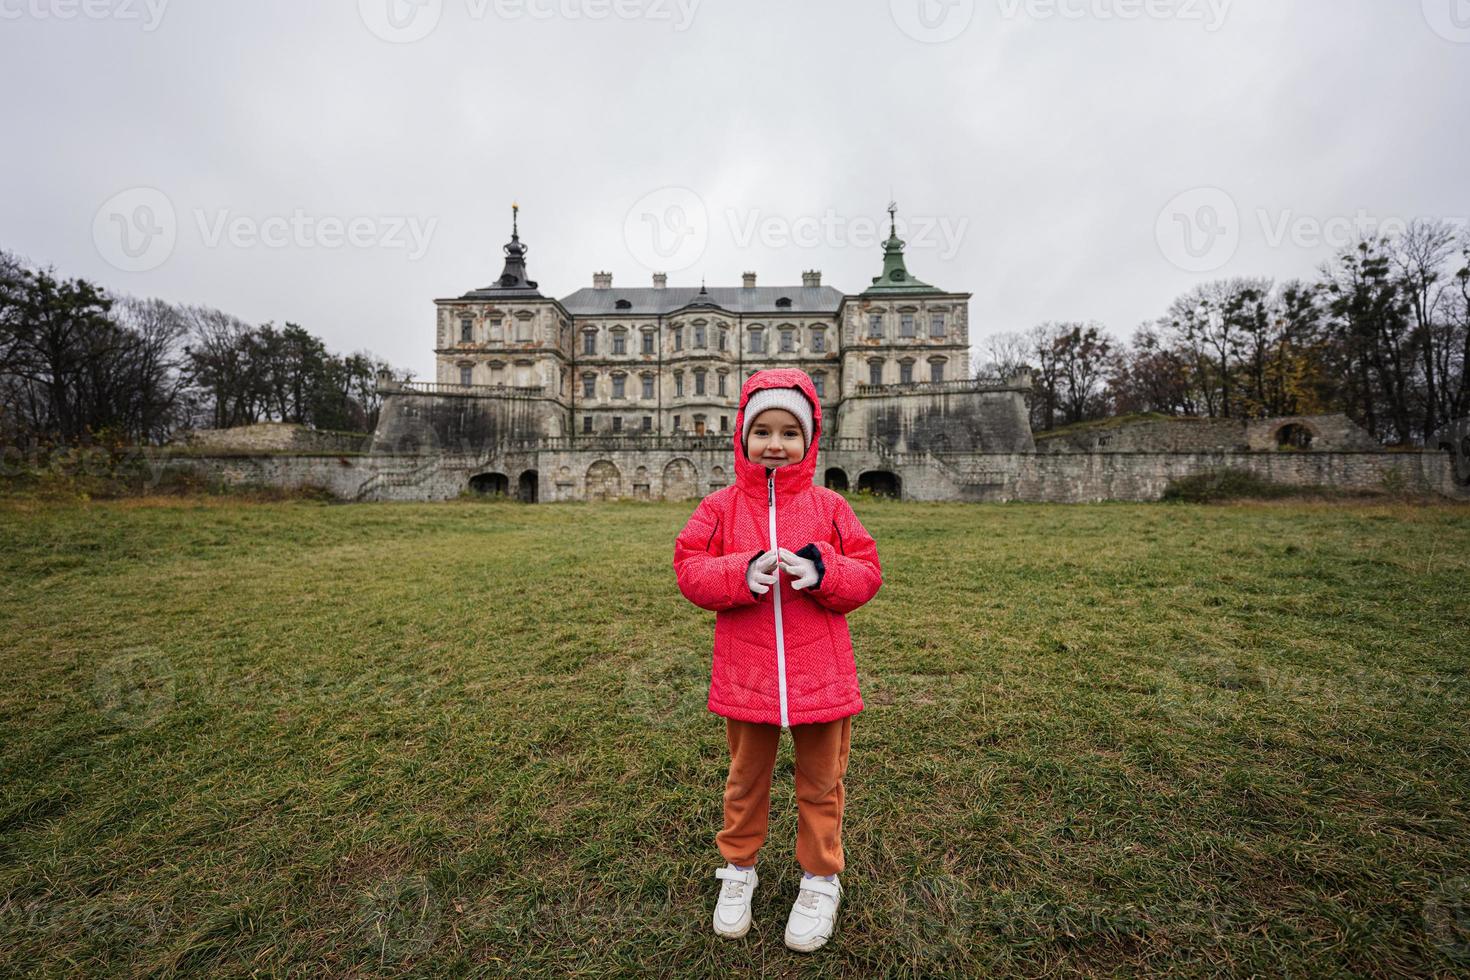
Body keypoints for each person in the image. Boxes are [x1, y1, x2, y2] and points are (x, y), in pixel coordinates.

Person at [672, 367, 883, 952]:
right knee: (745, 781)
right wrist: (739, 572)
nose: (775, 444)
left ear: (809, 439)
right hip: (749, 673)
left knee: (822, 783)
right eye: (762, 430)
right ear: (742, 434)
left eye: (789, 432)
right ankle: (738, 869)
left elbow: (867, 572)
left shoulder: (831, 506)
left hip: (822, 674)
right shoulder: (718, 507)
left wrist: (822, 572)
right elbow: (689, 567)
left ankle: (820, 879)